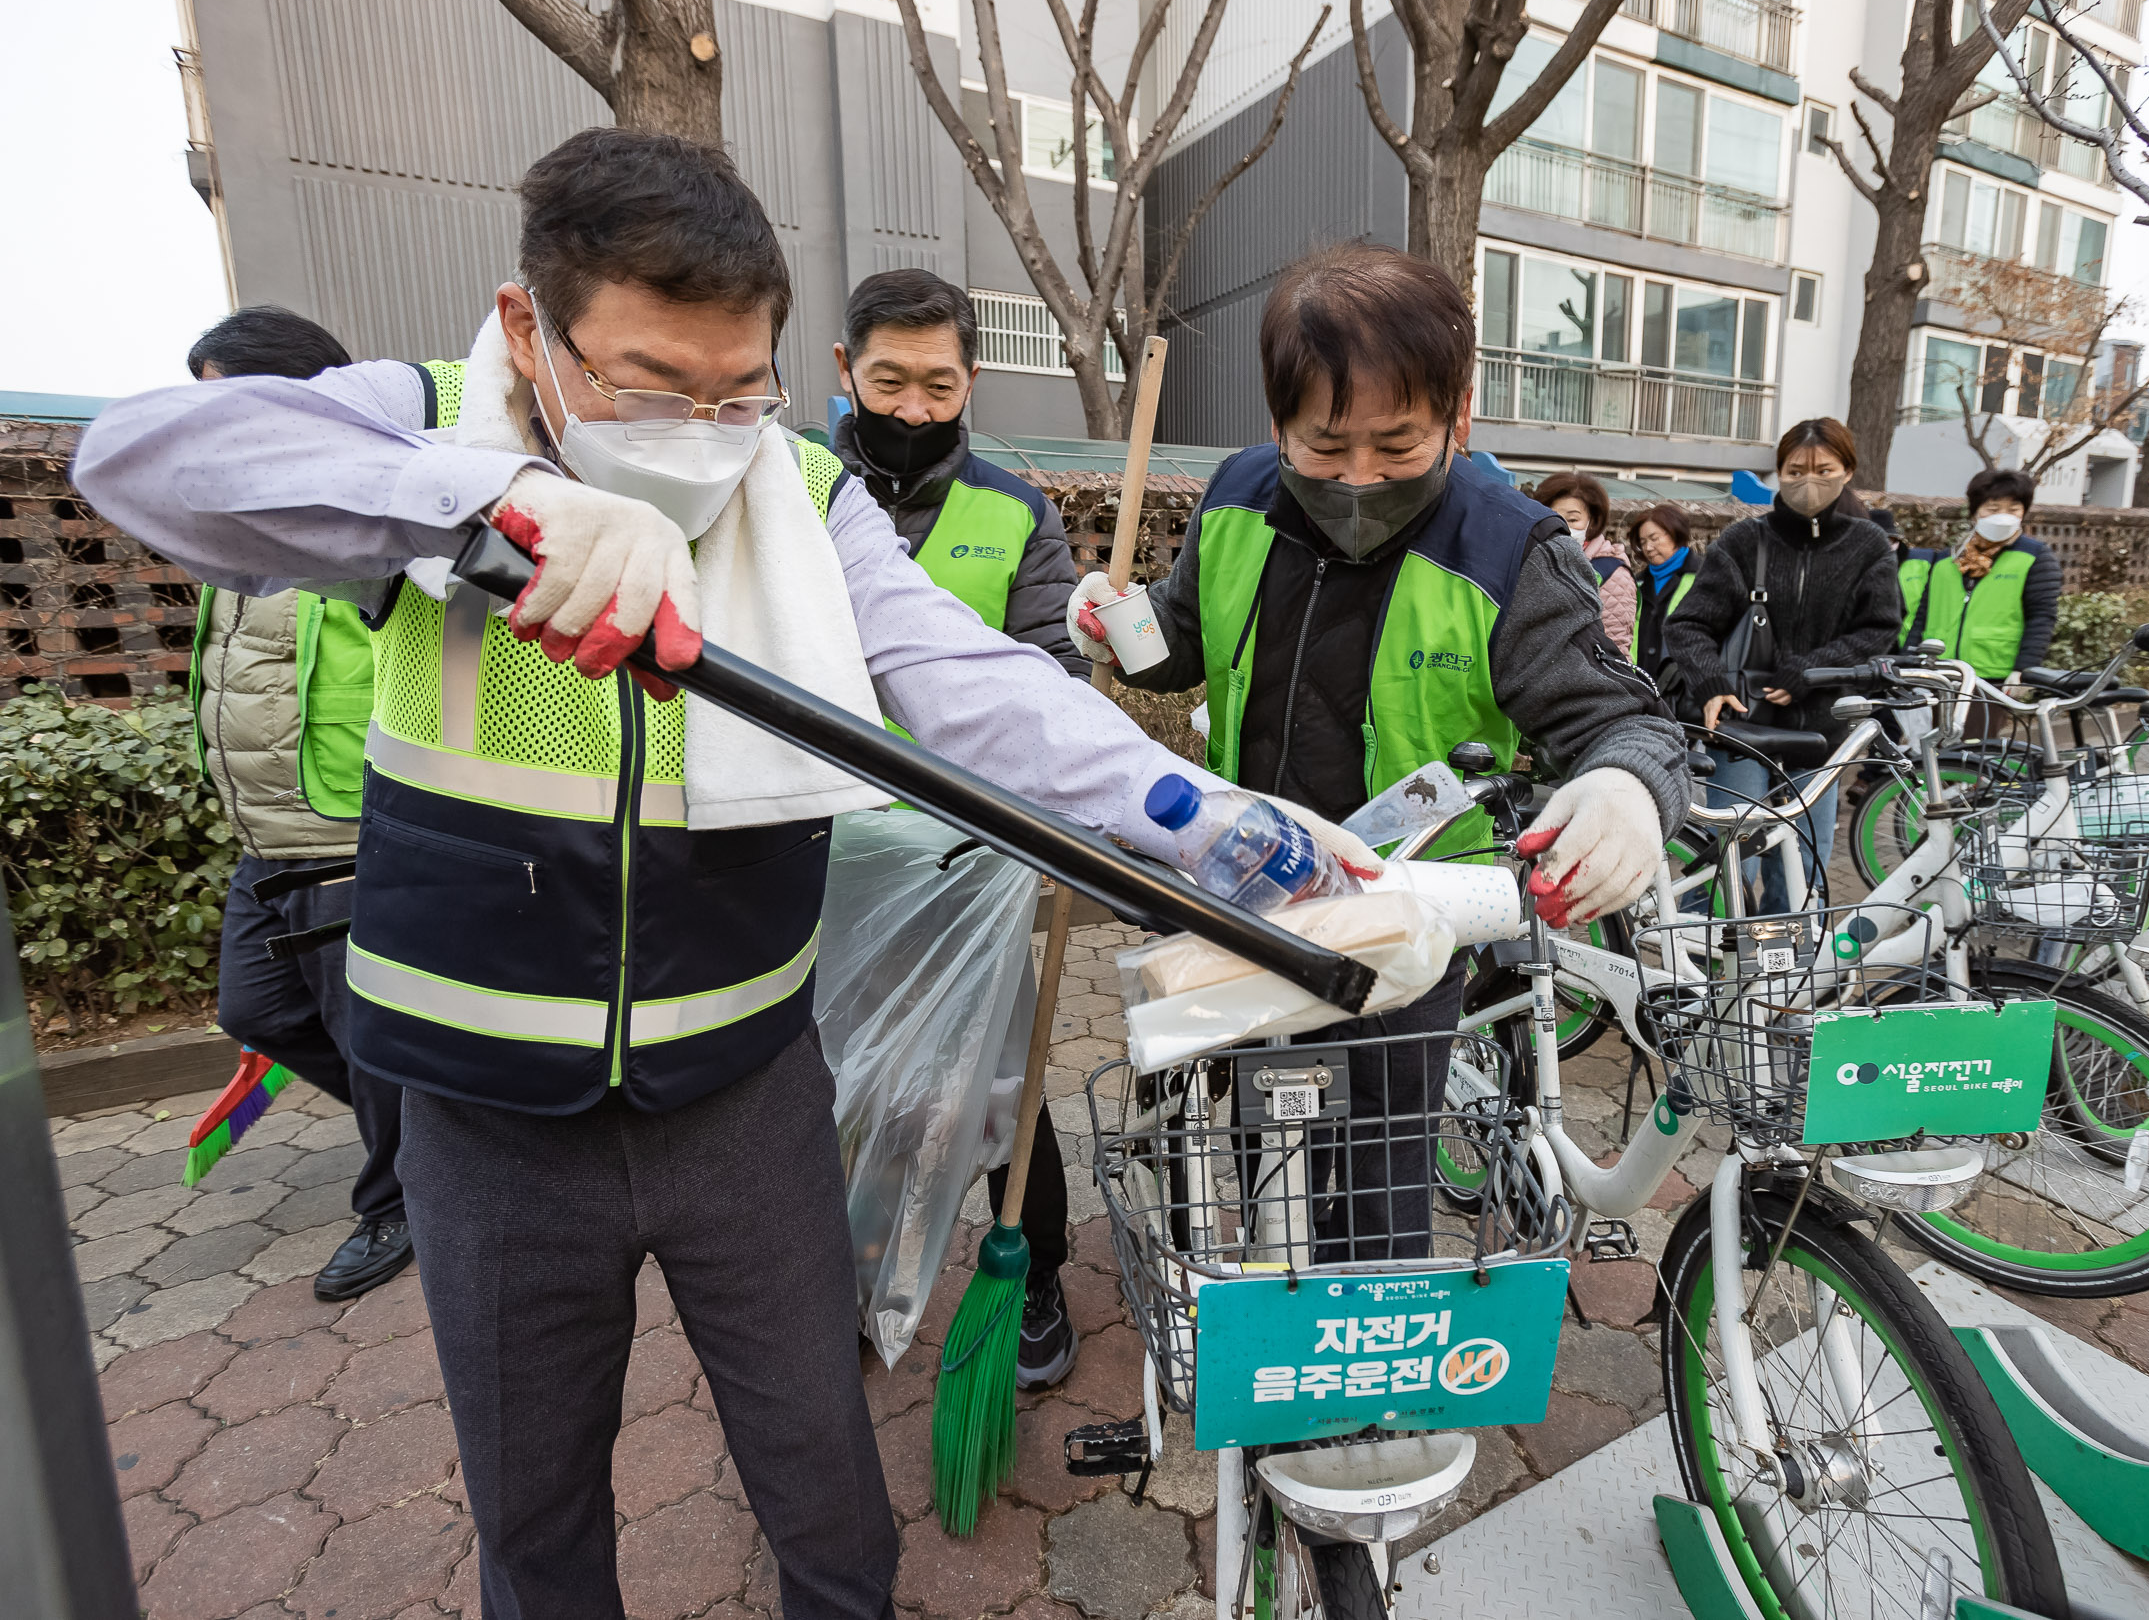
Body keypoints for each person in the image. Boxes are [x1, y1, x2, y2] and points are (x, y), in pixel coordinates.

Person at [74, 128, 1349, 1620]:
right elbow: (145, 461)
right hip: (488, 1119)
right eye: (646, 384)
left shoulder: (800, 491)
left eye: (737, 386)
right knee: (536, 1521)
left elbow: (971, 681)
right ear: (524, 329)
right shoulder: (418, 422)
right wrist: (488, 506)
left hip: (743, 1094)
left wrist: (1213, 821)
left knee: (825, 1484)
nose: (699, 428)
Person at [1073, 240, 1687, 1260]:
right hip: (1238, 893)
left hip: (1402, 933)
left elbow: (1619, 716)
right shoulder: (1235, 498)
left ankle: (1366, 1391)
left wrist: (1627, 785)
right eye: (1324, 447)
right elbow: (1183, 639)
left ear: (1460, 412)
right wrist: (1122, 626)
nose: (1358, 477)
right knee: (1260, 1134)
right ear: (1277, 425)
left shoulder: (1509, 548)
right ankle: (1263, 1326)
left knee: (1374, 1177)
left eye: (1398, 445)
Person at [830, 267, 1082, 1388]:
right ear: (844, 371)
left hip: (967, 856)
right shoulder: (786, 492)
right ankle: (850, 1261)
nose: (914, 409)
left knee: (999, 1076)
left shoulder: (1013, 511)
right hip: (817, 853)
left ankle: (1031, 1265)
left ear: (970, 380)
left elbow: (1051, 680)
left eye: (939, 385)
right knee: (839, 1079)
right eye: (889, 380)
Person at [185, 305, 412, 1301]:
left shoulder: (360, 516)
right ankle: (424, 1124)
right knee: (256, 1008)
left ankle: (400, 1199)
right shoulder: (236, 532)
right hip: (264, 836)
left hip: (344, 834)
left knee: (369, 1036)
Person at [1664, 416, 1901, 911]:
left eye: (1823, 468)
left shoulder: (1867, 545)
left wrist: (1812, 667)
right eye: (1795, 470)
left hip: (1823, 730)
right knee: (1730, 865)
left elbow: (1879, 628)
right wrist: (1709, 682)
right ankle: (1698, 968)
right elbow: (1686, 624)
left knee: (1800, 872)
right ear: (1779, 473)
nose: (1808, 481)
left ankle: (1782, 980)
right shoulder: (1743, 540)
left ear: (1847, 470)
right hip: (1744, 725)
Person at [1896, 467, 2062, 689]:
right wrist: (1909, 658)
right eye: (1993, 509)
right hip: (1936, 672)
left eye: (2013, 509)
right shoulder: (1947, 559)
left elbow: (2042, 617)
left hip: (1993, 675)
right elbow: (1924, 615)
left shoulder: (2034, 556)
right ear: (1975, 512)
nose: (2003, 517)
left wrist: (2024, 669)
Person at [1532, 471, 1636, 659]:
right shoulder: (1535, 563)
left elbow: (1616, 649)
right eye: (1554, 518)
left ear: (1593, 521)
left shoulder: (1612, 573)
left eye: (1573, 519)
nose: (1563, 526)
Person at [1628, 503, 1701, 673]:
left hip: (1685, 684)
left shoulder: (1703, 576)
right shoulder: (1637, 583)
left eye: (1654, 538)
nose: (1648, 548)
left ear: (1675, 533)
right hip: (1641, 684)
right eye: (1643, 542)